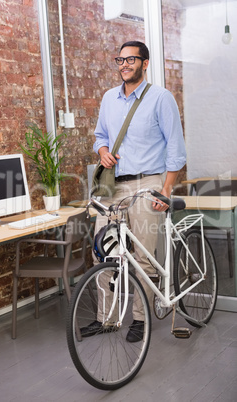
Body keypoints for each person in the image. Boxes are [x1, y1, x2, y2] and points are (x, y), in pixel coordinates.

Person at [81, 40, 186, 342]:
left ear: (145, 63)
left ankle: (140, 319)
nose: (124, 64)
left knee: (140, 256)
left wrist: (165, 191)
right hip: (113, 185)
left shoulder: (161, 98)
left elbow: (177, 151)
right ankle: (107, 319)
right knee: (103, 251)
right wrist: (102, 151)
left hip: (148, 182)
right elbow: (100, 135)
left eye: (131, 59)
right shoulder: (108, 99)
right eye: (120, 60)